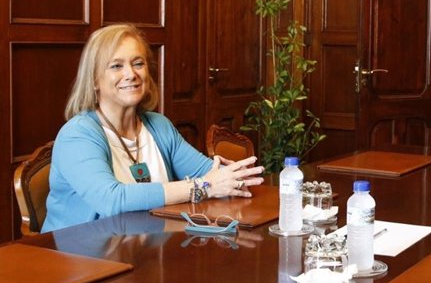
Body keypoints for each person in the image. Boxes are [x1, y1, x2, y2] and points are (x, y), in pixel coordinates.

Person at [42, 24, 265, 232]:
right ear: (94, 80)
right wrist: (202, 187)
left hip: (149, 245)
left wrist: (232, 177)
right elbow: (112, 200)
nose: (131, 74)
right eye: (116, 66)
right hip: (79, 253)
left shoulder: (158, 125)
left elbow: (208, 173)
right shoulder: (77, 135)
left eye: (138, 63)